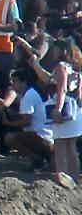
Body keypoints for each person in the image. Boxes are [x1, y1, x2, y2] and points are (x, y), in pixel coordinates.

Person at [27, 38, 82, 181]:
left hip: (64, 108)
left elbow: (61, 88)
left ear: (62, 50)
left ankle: (63, 176)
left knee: (60, 145)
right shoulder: (75, 68)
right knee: (70, 145)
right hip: (75, 110)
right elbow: (49, 79)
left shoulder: (61, 66)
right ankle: (73, 177)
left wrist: (58, 108)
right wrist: (35, 65)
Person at [4, 69, 54, 171]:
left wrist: (9, 123)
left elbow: (27, 121)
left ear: (23, 82)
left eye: (14, 81)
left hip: (41, 137)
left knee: (9, 138)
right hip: (45, 135)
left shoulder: (28, 96)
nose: (12, 85)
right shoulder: (30, 93)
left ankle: (36, 159)